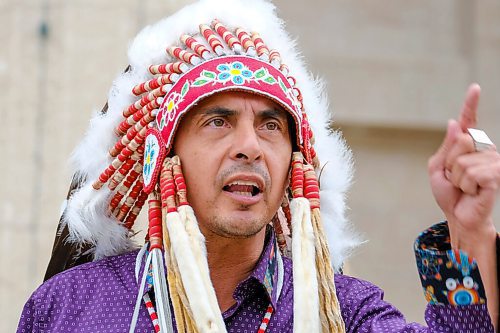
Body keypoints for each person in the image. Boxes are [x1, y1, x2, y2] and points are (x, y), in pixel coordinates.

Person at [17, 0, 499, 332]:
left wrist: (467, 231)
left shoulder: (345, 314)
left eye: (271, 125)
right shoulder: (69, 307)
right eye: (218, 121)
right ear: (165, 157)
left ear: (294, 165)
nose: (249, 146)